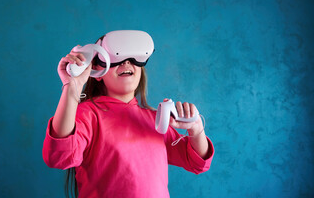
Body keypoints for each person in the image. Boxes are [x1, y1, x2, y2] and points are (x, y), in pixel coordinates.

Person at [42, 30, 214, 198]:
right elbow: (60, 156)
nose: (126, 63)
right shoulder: (88, 114)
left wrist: (196, 129)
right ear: (97, 71)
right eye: (116, 58)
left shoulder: (156, 119)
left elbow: (197, 162)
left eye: (134, 58)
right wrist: (72, 86)